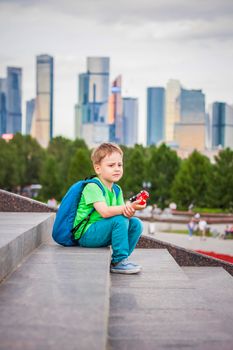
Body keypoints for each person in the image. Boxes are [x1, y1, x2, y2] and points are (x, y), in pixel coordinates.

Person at [73, 143, 146, 274]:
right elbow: (105, 212)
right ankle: (119, 261)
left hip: (102, 230)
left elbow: (123, 215)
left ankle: (121, 259)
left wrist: (132, 209)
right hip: (86, 234)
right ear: (98, 168)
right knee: (119, 219)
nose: (117, 169)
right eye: (111, 165)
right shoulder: (93, 187)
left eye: (120, 165)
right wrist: (126, 208)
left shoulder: (117, 190)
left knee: (136, 224)